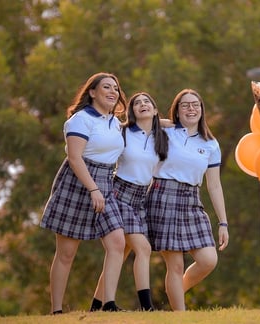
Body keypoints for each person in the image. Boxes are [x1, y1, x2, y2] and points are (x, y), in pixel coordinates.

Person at [40, 72, 127, 314]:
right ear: (92, 92)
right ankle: (56, 311)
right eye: (106, 87)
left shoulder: (115, 122)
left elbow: (149, 123)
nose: (113, 92)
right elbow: (74, 158)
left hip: (106, 182)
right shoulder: (81, 119)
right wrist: (93, 189)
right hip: (79, 182)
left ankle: (108, 304)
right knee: (67, 253)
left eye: (116, 88)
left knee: (118, 242)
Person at [145, 89, 229, 311]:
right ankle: (180, 316)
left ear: (202, 110)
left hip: (192, 200)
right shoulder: (166, 132)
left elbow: (214, 185)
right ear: (177, 110)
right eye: (185, 105)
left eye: (195, 105)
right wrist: (171, 124)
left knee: (208, 260)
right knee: (175, 263)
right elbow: (143, 118)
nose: (191, 109)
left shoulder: (211, 144)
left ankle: (175, 293)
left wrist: (223, 222)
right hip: (163, 196)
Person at [89, 92, 168, 312]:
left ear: (154, 109)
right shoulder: (122, 131)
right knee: (143, 248)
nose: (142, 105)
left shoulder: (161, 136)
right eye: (137, 103)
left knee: (120, 255)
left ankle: (96, 307)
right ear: (131, 111)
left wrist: (157, 121)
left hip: (140, 198)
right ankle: (146, 307)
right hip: (118, 193)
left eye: (147, 102)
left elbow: (176, 124)